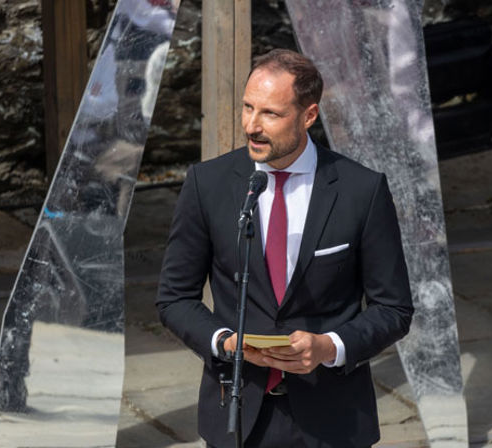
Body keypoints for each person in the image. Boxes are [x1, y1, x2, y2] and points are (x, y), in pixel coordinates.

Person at [156, 49, 414, 448]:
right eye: (247, 107)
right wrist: (225, 341)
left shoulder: (362, 190)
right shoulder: (208, 185)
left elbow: (394, 308)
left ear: (308, 115)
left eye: (270, 114)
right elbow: (174, 298)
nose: (251, 126)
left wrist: (331, 347)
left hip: (333, 421)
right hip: (237, 417)